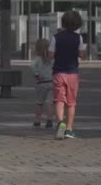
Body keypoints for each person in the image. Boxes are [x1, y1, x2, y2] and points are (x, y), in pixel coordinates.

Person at [48, 11, 86, 140]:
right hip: (72, 74)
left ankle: (60, 123)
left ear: (63, 23)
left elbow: (51, 54)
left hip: (58, 73)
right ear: (77, 24)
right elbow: (81, 54)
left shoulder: (56, 37)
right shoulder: (78, 38)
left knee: (59, 100)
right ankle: (69, 129)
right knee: (71, 103)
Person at [31, 38, 54, 129]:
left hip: (40, 83)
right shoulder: (52, 59)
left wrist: (37, 75)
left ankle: (37, 121)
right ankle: (49, 121)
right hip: (51, 83)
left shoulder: (37, 59)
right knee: (50, 103)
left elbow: (32, 67)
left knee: (39, 103)